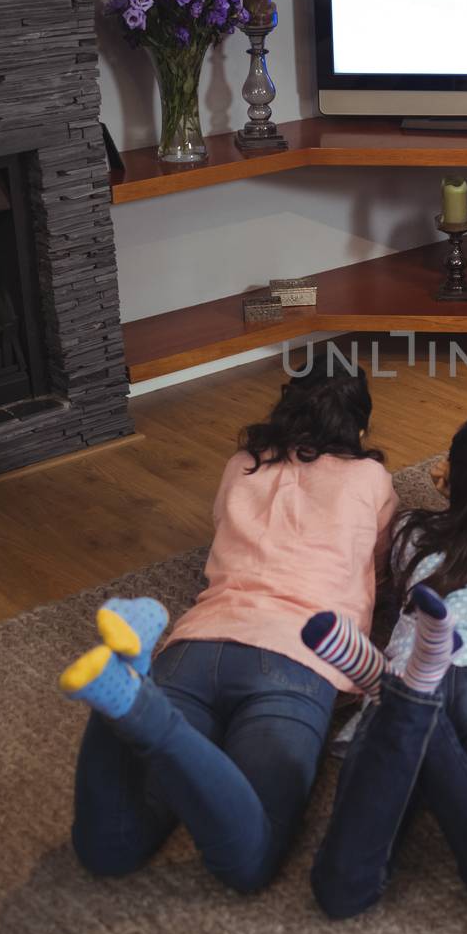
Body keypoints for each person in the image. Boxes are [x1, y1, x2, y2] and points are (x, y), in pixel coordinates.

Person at [59, 365, 396, 893]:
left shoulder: (241, 464)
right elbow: (378, 562)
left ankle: (128, 688)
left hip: (197, 642)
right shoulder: (371, 479)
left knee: (109, 847)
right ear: (358, 427)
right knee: (246, 861)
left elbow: (221, 528)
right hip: (296, 657)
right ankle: (141, 709)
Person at [303, 411, 467, 926]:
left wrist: (452, 491)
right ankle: (417, 699)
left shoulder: (411, 532)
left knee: (340, 894)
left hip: (405, 675)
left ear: (449, 476)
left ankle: (411, 694)